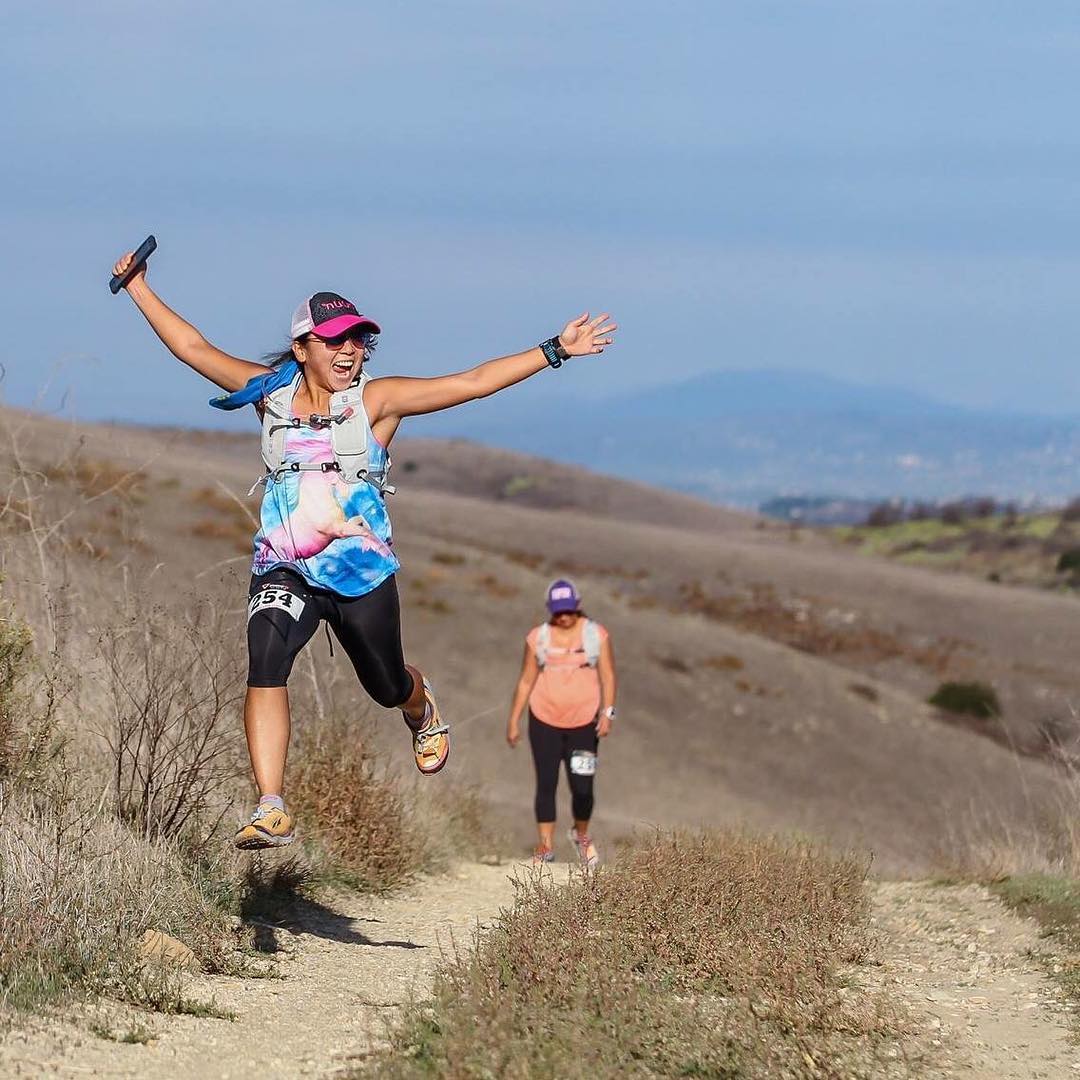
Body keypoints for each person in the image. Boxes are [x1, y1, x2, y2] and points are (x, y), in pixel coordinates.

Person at [110, 249, 617, 850]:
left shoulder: (376, 401)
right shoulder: (268, 395)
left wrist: (555, 350)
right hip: (285, 565)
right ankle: (271, 805)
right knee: (265, 658)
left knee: (385, 684)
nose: (349, 350)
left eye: (357, 339)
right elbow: (194, 348)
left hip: (360, 573)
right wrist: (137, 286)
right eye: (334, 340)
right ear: (302, 348)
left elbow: (470, 383)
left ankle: (419, 706)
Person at [506, 579, 617, 869]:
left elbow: (608, 676)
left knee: (583, 787)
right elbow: (526, 680)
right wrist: (514, 720)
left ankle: (581, 835)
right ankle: (545, 846)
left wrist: (607, 713)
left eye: (568, 610)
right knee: (546, 783)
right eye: (558, 611)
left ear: (577, 607)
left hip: (584, 723)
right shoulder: (538, 638)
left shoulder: (596, 635)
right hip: (544, 720)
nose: (564, 616)